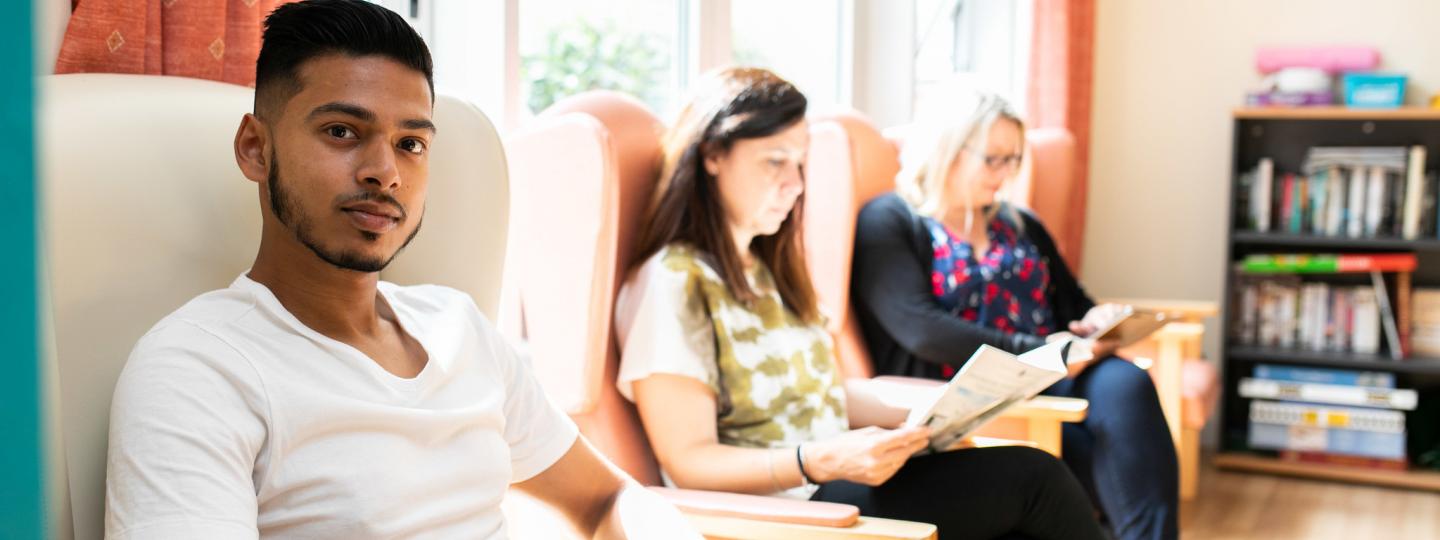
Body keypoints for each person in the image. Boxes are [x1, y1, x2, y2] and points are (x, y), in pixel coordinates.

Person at [104, 2, 696, 538]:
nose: (384, 172)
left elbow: (606, 497)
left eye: (410, 143)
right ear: (256, 148)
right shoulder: (198, 368)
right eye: (342, 132)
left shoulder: (459, 326)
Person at [614, 67, 1106, 540]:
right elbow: (689, 461)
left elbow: (820, 394)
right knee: (1035, 479)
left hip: (830, 479)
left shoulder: (764, 268)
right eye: (774, 161)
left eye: (800, 163)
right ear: (713, 155)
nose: (795, 184)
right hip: (788, 508)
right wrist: (819, 459)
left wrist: (939, 409)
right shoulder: (674, 282)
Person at [850, 89, 1179, 539]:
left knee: (1126, 383)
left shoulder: (1020, 222)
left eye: (1014, 160)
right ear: (946, 148)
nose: (1006, 173)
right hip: (967, 386)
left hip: (1050, 370)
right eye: (993, 160)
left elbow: (1074, 304)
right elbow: (920, 328)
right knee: (1091, 452)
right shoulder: (889, 220)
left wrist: (1097, 319)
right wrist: (1038, 351)